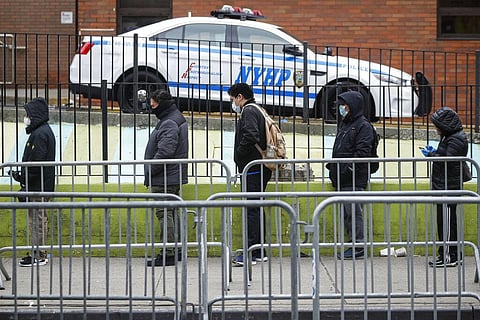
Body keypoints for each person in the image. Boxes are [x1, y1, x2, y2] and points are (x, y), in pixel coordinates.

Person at [326, 91, 374, 260]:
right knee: (348, 214)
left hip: (353, 178)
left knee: (353, 213)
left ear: (352, 106)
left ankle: (359, 247)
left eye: (344, 105)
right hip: (342, 177)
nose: (341, 108)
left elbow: (362, 154)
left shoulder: (363, 126)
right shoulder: (346, 124)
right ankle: (355, 245)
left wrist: (346, 170)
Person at [228, 83, 272, 266]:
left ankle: (251, 253)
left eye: (232, 99)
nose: (232, 103)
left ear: (240, 97)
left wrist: (239, 153)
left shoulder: (248, 111)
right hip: (258, 167)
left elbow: (251, 136)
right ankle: (258, 250)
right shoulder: (257, 109)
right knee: (256, 207)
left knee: (252, 209)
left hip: (253, 168)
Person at [9, 97, 56, 267]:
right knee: (37, 219)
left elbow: (35, 165)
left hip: (38, 187)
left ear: (35, 115)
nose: (26, 118)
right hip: (39, 185)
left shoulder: (40, 134)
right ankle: (38, 252)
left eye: (28, 114)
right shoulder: (41, 132)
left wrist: (23, 181)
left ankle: (39, 255)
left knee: (37, 221)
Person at [144, 89, 188, 267]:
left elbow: (164, 152)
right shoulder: (174, 117)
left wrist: (150, 170)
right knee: (171, 212)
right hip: (171, 175)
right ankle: (175, 250)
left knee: (164, 214)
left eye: (153, 105)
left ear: (160, 104)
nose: (152, 108)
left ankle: (168, 252)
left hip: (165, 177)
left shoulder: (169, 122)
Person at [421, 106, 469, 267]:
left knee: (447, 223)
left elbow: (449, 161)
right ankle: (452, 254)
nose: (436, 129)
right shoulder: (450, 137)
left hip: (448, 187)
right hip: (444, 185)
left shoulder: (455, 138)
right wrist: (436, 153)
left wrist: (433, 155)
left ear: (445, 125)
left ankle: (450, 256)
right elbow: (446, 155)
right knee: (445, 222)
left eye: (437, 126)